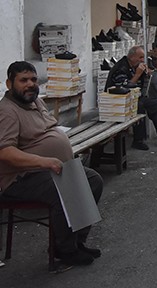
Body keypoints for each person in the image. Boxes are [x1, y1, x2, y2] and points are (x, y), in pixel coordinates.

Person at [0, 61, 103, 266]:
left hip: (47, 169)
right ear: (9, 83)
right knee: (66, 189)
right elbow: (5, 152)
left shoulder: (35, 101)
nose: (30, 84)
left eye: (33, 79)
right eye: (23, 80)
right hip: (19, 179)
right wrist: (44, 161)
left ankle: (76, 242)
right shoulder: (7, 111)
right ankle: (62, 249)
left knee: (93, 180)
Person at [105, 46, 157, 149]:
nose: (142, 60)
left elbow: (139, 85)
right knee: (139, 107)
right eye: (140, 57)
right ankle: (138, 141)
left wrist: (145, 74)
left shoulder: (133, 66)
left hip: (131, 98)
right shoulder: (121, 68)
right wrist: (138, 74)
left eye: (143, 57)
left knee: (156, 106)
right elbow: (124, 88)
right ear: (131, 57)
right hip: (117, 101)